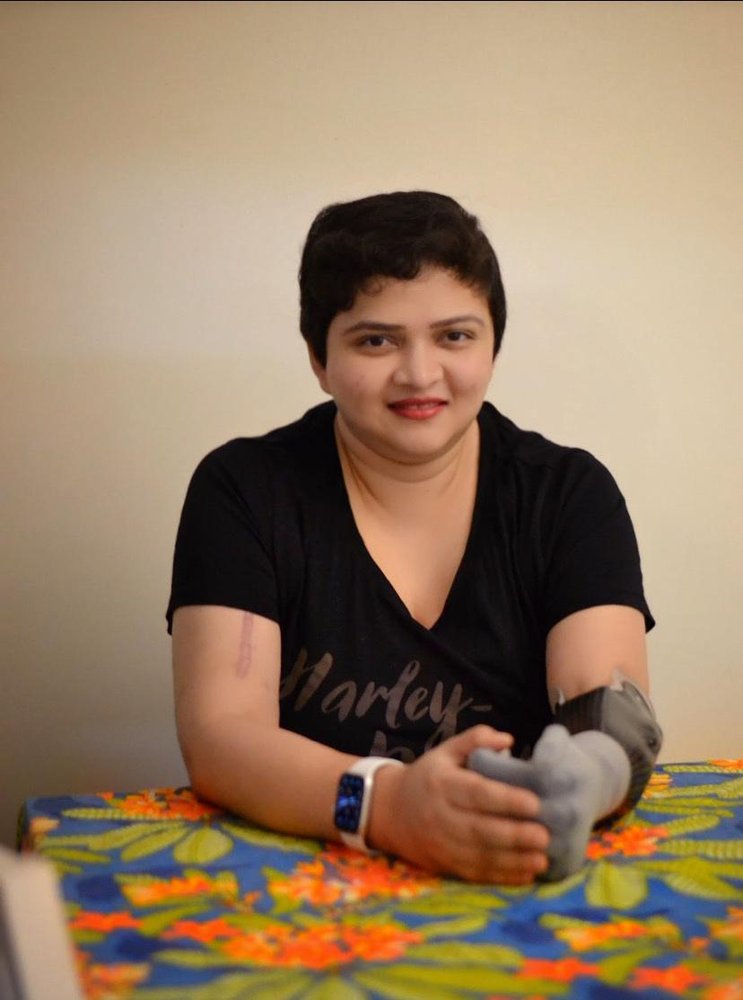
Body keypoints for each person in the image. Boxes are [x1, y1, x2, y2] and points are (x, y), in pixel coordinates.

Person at [167, 191, 660, 885]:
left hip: (517, 863)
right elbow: (221, 736)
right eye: (376, 340)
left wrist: (579, 782)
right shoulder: (245, 489)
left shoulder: (567, 494)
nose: (420, 375)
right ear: (318, 356)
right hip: (302, 886)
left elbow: (611, 714)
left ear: (492, 343)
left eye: (454, 336)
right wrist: (387, 805)